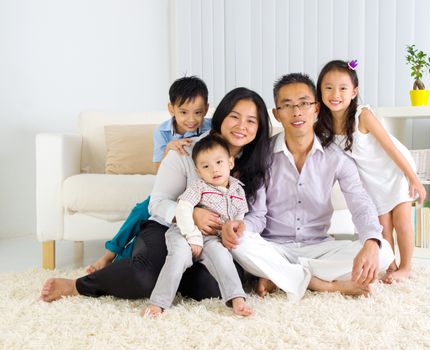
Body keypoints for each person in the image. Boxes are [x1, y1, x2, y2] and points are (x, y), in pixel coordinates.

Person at [40, 87, 271, 303]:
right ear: (220, 116)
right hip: (168, 228)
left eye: (251, 121)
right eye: (235, 116)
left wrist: (239, 227)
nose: (242, 125)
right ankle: (78, 286)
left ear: (259, 127)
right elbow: (157, 202)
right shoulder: (186, 149)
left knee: (213, 288)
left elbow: (259, 216)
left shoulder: (258, 163)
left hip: (214, 240)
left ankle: (171, 274)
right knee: (143, 278)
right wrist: (191, 215)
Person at [222, 73, 395, 299]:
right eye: (287, 105)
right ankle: (323, 284)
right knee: (238, 242)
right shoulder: (262, 154)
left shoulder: (337, 157)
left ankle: (279, 275)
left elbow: (360, 202)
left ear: (316, 108)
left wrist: (372, 241)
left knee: (384, 252)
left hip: (319, 247)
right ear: (276, 114)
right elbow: (258, 216)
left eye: (304, 103)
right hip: (274, 246)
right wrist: (241, 227)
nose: (297, 112)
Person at [315, 60, 426, 282]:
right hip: (371, 180)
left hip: (394, 171)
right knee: (383, 228)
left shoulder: (362, 116)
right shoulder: (322, 126)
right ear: (320, 91)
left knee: (402, 222)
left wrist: (412, 178)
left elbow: (390, 147)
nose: (335, 94)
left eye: (343, 88)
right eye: (328, 87)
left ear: (354, 92)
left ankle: (406, 267)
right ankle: (390, 265)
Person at [86, 76, 211, 274]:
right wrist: (169, 149)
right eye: (183, 112)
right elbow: (158, 170)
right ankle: (111, 255)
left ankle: (124, 262)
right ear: (171, 109)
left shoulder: (210, 128)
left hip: (196, 188)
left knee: (153, 225)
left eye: (198, 112)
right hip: (170, 188)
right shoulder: (163, 131)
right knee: (142, 212)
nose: (191, 119)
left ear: (206, 109)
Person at [143, 135, 251, 317]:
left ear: (230, 163)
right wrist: (192, 236)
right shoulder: (198, 186)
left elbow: (239, 215)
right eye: (206, 166)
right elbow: (183, 209)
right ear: (198, 171)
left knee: (223, 259)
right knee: (178, 257)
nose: (214, 170)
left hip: (212, 238)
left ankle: (237, 299)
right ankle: (158, 303)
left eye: (219, 162)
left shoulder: (238, 189)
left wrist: (236, 226)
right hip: (184, 232)